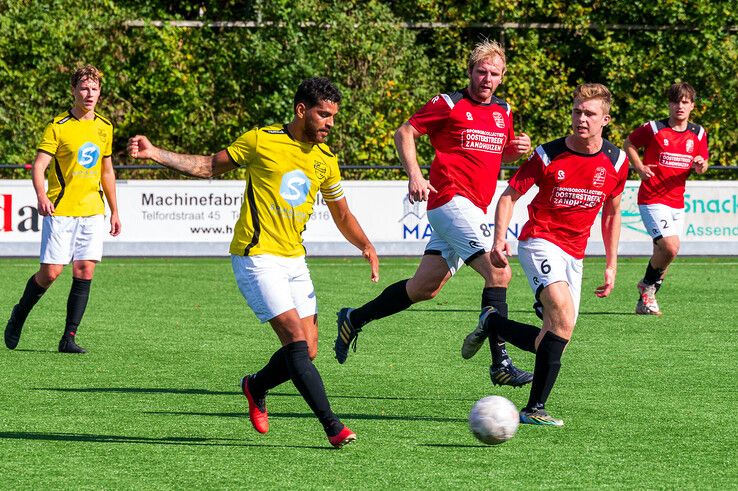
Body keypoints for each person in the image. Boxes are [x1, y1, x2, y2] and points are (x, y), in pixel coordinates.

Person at [127, 77, 378, 448]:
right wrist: (155, 152)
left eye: (333, 117)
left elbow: (342, 214)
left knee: (308, 350)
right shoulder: (262, 139)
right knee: (295, 342)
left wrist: (366, 245)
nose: (329, 123)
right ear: (301, 110)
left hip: (295, 260)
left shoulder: (326, 160)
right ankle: (333, 426)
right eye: (323, 115)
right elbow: (209, 166)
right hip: (256, 257)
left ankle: (255, 385)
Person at [334, 40, 533, 388]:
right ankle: (500, 362)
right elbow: (405, 131)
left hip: (474, 207)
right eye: (481, 71)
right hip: (450, 201)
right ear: (470, 71)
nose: (487, 79)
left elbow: (497, 156)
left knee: (424, 288)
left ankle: (355, 318)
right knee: (499, 274)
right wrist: (415, 174)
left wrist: (515, 151)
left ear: (502, 78)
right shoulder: (449, 104)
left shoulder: (504, 111)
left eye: (494, 74)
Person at [465, 83, 629, 425]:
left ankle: (491, 322)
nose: (581, 119)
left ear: (606, 120)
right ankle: (534, 410)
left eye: (590, 114)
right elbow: (509, 196)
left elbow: (613, 213)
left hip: (576, 254)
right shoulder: (548, 154)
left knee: (555, 338)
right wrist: (498, 239)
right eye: (577, 112)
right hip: (540, 241)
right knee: (562, 320)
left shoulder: (616, 161)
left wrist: (612, 265)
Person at [4, 65, 121, 354]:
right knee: (51, 273)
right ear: (73, 90)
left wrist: (115, 210)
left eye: (94, 88)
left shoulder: (104, 127)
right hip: (61, 211)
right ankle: (19, 313)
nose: (89, 93)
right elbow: (39, 166)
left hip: (93, 211)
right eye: (84, 88)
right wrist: (42, 195)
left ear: (100, 92)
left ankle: (68, 338)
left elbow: (107, 171)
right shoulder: (59, 126)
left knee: (84, 271)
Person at [623, 82, 709, 316]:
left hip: (676, 202)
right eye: (675, 101)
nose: (679, 106)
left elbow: (703, 164)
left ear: (692, 105)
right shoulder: (654, 128)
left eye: (685, 102)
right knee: (670, 248)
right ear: (669, 104)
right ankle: (647, 286)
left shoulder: (698, 133)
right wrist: (639, 166)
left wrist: (701, 165)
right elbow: (629, 143)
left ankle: (645, 301)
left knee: (663, 254)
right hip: (652, 198)